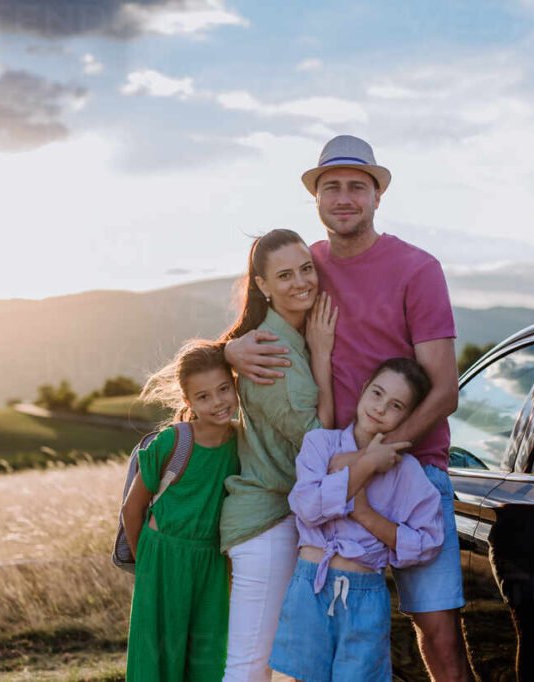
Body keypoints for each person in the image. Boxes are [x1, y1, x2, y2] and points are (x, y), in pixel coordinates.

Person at [226, 135, 471, 681]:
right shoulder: (306, 265)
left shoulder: (417, 268)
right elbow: (258, 308)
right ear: (315, 198)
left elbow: (445, 389)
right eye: (331, 187)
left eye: (357, 187)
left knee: (436, 630)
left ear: (377, 196)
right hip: (329, 471)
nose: (344, 198)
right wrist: (227, 350)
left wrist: (382, 455)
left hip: (412, 469)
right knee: (329, 638)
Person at [217, 228, 348, 682]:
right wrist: (323, 358)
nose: (301, 282)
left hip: (283, 520)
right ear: (263, 286)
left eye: (307, 269)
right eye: (285, 275)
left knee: (276, 666)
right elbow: (319, 444)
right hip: (266, 525)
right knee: (250, 668)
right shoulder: (270, 350)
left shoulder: (288, 335)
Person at [269, 357, 445, 681]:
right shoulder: (320, 445)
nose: (380, 408)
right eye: (377, 394)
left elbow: (427, 543)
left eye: (395, 405)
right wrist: (366, 465)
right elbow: (307, 507)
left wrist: (366, 515)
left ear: (406, 417)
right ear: (364, 389)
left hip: (365, 596)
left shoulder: (407, 472)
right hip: (310, 588)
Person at [120, 340, 240, 682]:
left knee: (208, 656)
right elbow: (132, 509)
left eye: (223, 389)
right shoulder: (173, 442)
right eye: (203, 397)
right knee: (158, 657)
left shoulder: (241, 443)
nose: (217, 402)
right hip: (162, 556)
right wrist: (147, 565)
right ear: (188, 402)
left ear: (235, 384)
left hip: (211, 561)